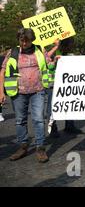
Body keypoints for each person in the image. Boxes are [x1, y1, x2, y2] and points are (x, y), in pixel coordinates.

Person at [0, 28, 51, 163]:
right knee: (20, 120)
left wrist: (56, 59)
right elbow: (2, 72)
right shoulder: (13, 52)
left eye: (26, 41)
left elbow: (49, 64)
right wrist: (1, 92)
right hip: (18, 92)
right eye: (21, 41)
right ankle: (23, 146)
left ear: (31, 40)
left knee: (39, 119)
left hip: (37, 91)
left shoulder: (40, 50)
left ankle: (40, 148)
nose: (23, 44)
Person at [46, 37, 82, 137]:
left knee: (69, 103)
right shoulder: (54, 51)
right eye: (71, 43)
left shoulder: (69, 53)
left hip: (67, 83)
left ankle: (69, 125)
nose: (72, 45)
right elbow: (48, 64)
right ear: (66, 43)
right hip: (54, 83)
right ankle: (52, 128)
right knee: (51, 106)